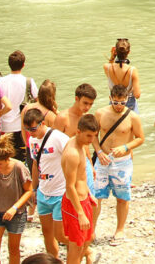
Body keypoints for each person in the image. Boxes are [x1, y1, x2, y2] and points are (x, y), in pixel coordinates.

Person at [91, 84, 145, 243]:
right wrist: (99, 152)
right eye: (115, 102)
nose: (119, 106)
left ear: (127, 100)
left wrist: (126, 147)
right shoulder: (100, 113)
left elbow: (140, 138)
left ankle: (120, 229)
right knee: (96, 196)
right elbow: (93, 135)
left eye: (122, 102)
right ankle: (92, 230)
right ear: (110, 99)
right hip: (102, 160)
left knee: (122, 197)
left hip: (122, 163)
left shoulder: (133, 117)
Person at [0, 134, 32, 264]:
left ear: (8, 159)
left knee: (13, 250)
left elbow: (29, 190)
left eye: (0, 164)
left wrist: (14, 208)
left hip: (17, 213)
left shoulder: (19, 167)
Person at [24, 107, 70, 257]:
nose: (31, 132)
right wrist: (33, 189)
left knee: (60, 235)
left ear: (42, 123)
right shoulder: (32, 140)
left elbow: (73, 157)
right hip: (44, 192)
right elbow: (36, 164)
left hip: (60, 192)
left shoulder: (57, 138)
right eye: (27, 129)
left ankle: (85, 249)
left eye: (33, 128)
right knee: (47, 234)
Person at [61, 115, 100, 264]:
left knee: (87, 239)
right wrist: (80, 213)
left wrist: (89, 194)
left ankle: (89, 256)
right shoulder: (72, 153)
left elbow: (82, 176)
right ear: (78, 131)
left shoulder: (80, 144)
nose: (91, 140)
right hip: (74, 204)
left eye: (94, 136)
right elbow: (70, 186)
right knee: (76, 248)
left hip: (84, 198)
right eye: (88, 136)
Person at [0, 50, 39, 162]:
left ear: (9, 64)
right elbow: (38, 101)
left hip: (3, 126)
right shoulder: (28, 82)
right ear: (23, 65)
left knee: (5, 158)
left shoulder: (0, 81)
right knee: (20, 160)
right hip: (21, 128)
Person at [103, 38, 140, 113]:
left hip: (114, 104)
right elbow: (137, 95)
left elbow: (110, 64)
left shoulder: (107, 67)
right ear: (128, 52)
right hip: (129, 105)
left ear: (115, 51)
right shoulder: (132, 70)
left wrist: (112, 56)